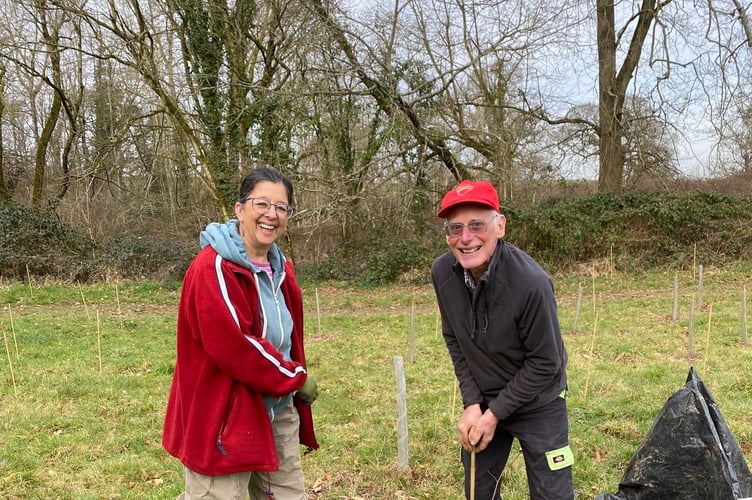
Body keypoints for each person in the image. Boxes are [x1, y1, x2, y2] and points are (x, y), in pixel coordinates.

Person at [162, 166, 319, 500]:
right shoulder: (213, 268)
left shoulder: (282, 269)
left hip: (275, 411)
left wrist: (289, 384)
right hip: (223, 418)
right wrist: (295, 377)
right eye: (262, 203)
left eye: (281, 207)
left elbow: (289, 339)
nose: (271, 215)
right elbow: (236, 347)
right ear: (239, 208)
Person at [430, 179, 573, 500]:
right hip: (483, 400)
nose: (465, 238)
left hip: (540, 401)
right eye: (455, 228)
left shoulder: (531, 284)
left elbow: (546, 362)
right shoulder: (442, 274)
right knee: (477, 492)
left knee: (554, 494)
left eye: (476, 225)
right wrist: (471, 404)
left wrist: (495, 414)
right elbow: (454, 337)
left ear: (500, 226)